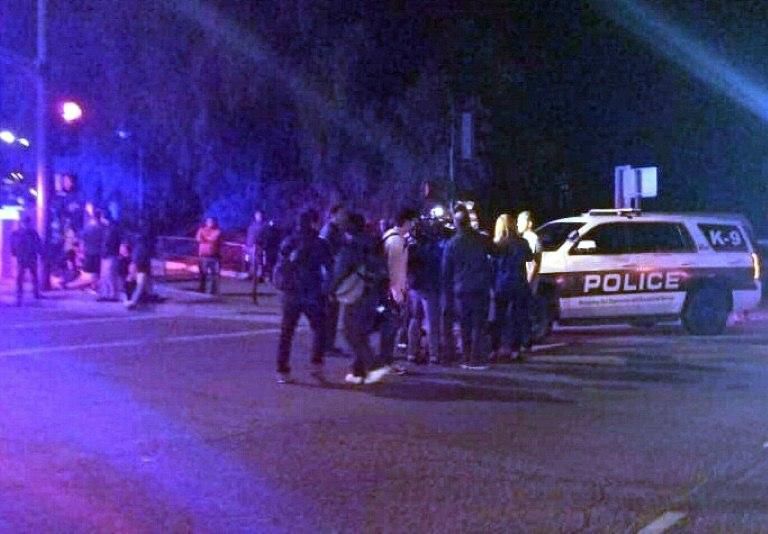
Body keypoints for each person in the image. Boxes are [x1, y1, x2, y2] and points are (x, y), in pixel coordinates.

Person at [274, 210, 332, 384]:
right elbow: (329, 268)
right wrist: (328, 289)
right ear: (314, 223)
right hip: (311, 292)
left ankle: (282, 370)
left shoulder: (289, 241)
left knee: (286, 332)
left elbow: (280, 264)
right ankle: (316, 365)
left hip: (290, 292)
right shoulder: (320, 244)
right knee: (320, 329)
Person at [442, 207, 492, 370]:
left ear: (456, 223)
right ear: (469, 222)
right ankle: (477, 358)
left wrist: (448, 294)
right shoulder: (481, 239)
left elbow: (446, 271)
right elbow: (496, 252)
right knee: (479, 325)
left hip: (461, 290)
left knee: (465, 325)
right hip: (480, 287)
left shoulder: (451, 244)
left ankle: (466, 357)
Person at [492, 214, 534, 361]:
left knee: (499, 318)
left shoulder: (497, 244)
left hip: (501, 284)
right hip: (519, 283)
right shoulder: (522, 242)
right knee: (516, 318)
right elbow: (530, 258)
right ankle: (515, 350)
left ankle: (495, 349)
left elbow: (492, 265)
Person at [380, 208, 418, 373]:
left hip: (387, 289)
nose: (414, 225)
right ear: (407, 222)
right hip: (393, 291)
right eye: (412, 221)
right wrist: (398, 293)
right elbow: (395, 270)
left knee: (389, 327)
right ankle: (387, 361)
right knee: (391, 327)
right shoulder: (397, 242)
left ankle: (386, 360)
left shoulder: (388, 236)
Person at [406, 220, 444, 364]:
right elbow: (437, 265)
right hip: (430, 287)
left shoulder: (412, 246)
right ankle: (434, 354)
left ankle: (411, 352)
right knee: (432, 322)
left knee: (415, 319)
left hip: (415, 287)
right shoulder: (433, 247)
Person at [319, 204, 348, 355]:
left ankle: (328, 344)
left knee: (333, 312)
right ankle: (325, 345)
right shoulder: (329, 231)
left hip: (335, 276)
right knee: (329, 312)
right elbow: (326, 254)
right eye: (342, 213)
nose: (344, 216)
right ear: (334, 214)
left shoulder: (337, 230)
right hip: (329, 277)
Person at [10, 216, 42, 305]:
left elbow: (38, 244)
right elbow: (13, 245)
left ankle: (35, 293)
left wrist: (39, 252)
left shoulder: (32, 233)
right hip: (23, 258)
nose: (26, 224)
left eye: (27, 222)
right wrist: (14, 253)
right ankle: (20, 295)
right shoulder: (17, 233)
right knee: (21, 277)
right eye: (25, 222)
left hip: (30, 257)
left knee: (33, 276)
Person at [125, 221, 154, 310]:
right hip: (141, 264)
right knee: (140, 284)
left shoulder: (137, 243)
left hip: (139, 263)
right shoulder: (144, 245)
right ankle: (134, 300)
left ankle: (133, 299)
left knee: (138, 282)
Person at [98, 211, 122, 301]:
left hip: (110, 254)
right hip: (107, 254)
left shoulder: (111, 229)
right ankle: (106, 294)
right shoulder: (108, 228)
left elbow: (109, 243)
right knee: (105, 275)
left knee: (110, 275)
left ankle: (112, 295)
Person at [196, 217, 222, 295]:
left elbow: (213, 239)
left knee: (215, 274)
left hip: (214, 256)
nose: (210, 223)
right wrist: (205, 239)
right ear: (206, 222)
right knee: (202, 274)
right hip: (203, 255)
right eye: (209, 221)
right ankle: (202, 289)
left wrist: (204, 238)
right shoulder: (201, 230)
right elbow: (198, 238)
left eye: (212, 221)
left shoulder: (218, 231)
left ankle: (213, 291)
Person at [245, 210, 266, 303]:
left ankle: (255, 291)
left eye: (260, 215)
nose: (258, 217)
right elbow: (249, 238)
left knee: (259, 270)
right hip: (252, 250)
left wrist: (262, 246)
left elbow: (266, 238)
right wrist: (248, 249)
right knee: (253, 270)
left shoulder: (265, 226)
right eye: (257, 215)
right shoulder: (252, 226)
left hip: (260, 250)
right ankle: (253, 293)